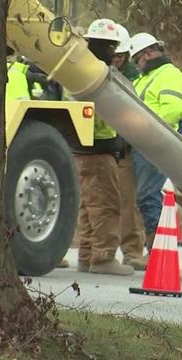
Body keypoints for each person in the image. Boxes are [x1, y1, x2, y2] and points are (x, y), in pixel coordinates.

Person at [72, 18, 133, 275]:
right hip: (98, 149)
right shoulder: (98, 74)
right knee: (106, 205)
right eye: (111, 47)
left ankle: (86, 256)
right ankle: (104, 258)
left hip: (78, 150)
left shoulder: (75, 69)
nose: (113, 54)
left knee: (89, 207)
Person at [130, 32, 182, 251]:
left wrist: (145, 130)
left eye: (138, 59)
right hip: (144, 143)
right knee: (146, 195)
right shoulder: (144, 78)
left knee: (148, 195)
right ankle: (154, 247)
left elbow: (172, 111)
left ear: (149, 53)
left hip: (155, 143)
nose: (136, 64)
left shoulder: (169, 74)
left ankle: (156, 251)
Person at [109, 24, 150, 270]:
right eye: (113, 55)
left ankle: (133, 251)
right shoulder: (98, 70)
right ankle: (95, 250)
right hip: (104, 146)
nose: (115, 60)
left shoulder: (136, 77)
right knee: (101, 202)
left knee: (128, 201)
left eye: (119, 56)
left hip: (125, 147)